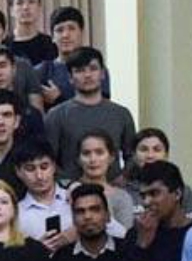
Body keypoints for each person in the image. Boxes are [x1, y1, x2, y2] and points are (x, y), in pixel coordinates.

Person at [44, 48, 135, 182]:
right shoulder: (56, 115)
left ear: (102, 74)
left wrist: (123, 178)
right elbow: (47, 159)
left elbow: (132, 155)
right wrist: (68, 184)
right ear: (70, 77)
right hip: (71, 190)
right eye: (80, 70)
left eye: (93, 69)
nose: (87, 75)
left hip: (113, 188)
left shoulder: (121, 114)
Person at [37, 8, 113, 110]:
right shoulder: (43, 71)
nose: (65, 35)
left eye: (71, 28)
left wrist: (59, 99)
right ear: (52, 37)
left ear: (82, 33)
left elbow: (101, 109)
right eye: (60, 30)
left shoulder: (94, 69)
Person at [10, 141, 75, 254]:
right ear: (18, 172)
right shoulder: (15, 214)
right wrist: (36, 250)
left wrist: (81, 232)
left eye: (44, 167)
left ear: (54, 167)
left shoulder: (76, 199)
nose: (39, 176)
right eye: (30, 169)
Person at [75, 131, 135, 236]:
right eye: (86, 153)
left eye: (99, 153)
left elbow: (126, 236)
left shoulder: (122, 198)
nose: (93, 159)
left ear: (111, 157)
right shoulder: (67, 192)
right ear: (78, 159)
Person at [3, 0, 58, 65]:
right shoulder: (4, 47)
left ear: (39, 7)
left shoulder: (51, 45)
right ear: (11, 10)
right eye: (20, 3)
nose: (26, 7)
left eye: (31, 2)